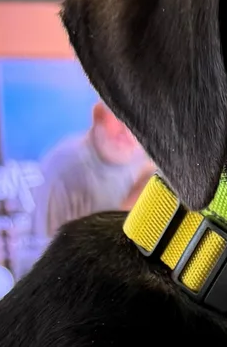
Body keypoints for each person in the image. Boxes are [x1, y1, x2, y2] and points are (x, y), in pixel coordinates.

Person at [28, 101, 153, 248]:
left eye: (138, 124)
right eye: (120, 118)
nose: (127, 131)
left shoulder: (147, 165)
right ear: (99, 114)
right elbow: (48, 256)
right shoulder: (64, 170)